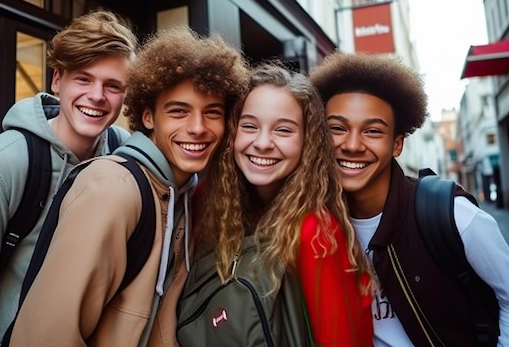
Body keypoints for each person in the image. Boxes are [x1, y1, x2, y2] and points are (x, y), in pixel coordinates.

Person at [6, 26, 250, 347]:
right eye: (178, 111)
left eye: (212, 113)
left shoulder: (185, 195)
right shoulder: (113, 190)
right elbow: (46, 337)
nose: (197, 128)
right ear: (148, 117)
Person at [0, 9, 138, 347]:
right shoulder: (2, 163)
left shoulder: (125, 154)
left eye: (113, 85)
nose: (97, 95)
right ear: (57, 80)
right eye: (84, 79)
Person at [309, 51, 509, 347]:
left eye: (372, 131)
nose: (351, 145)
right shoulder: (314, 224)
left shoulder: (450, 214)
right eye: (337, 128)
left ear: (397, 144)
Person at [193, 62, 374, 346]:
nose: (263, 143)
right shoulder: (206, 201)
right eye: (250, 126)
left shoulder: (315, 232)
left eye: (284, 130)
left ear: (308, 142)